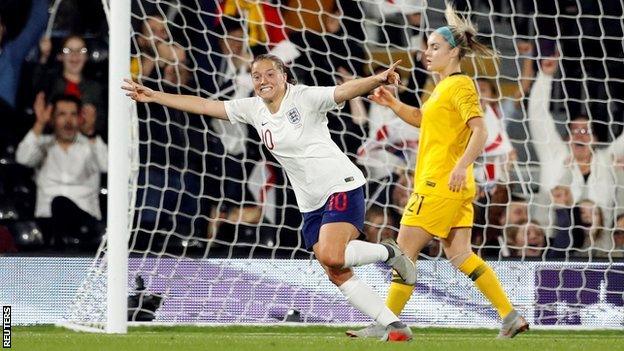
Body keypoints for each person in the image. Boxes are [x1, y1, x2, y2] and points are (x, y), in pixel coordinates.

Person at [123, 54, 416, 341]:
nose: (263, 81)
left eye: (270, 74)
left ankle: (389, 253)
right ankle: (392, 324)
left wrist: (376, 79)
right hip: (309, 201)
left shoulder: (304, 98)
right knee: (335, 271)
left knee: (330, 254)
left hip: (341, 184)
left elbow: (344, 90)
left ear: (284, 76)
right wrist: (156, 96)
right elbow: (204, 105)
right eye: (257, 76)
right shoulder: (253, 109)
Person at [346, 4, 529, 339]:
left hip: (440, 183)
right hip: (453, 186)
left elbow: (481, 130)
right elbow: (422, 121)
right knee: (460, 254)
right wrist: (393, 104)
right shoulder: (443, 88)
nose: (426, 52)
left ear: (453, 52)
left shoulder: (460, 86)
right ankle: (510, 316)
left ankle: (388, 324)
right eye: (426, 46)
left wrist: (461, 166)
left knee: (404, 252)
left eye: (434, 47)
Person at [15, 93, 107, 251]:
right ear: (51, 119)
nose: (68, 121)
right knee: (58, 203)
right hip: (47, 225)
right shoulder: (43, 145)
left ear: (80, 118)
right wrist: (39, 123)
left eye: (73, 114)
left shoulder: (90, 145)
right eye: (62, 114)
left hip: (85, 226)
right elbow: (23, 158)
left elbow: (107, 166)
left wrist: (91, 131)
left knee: (62, 204)